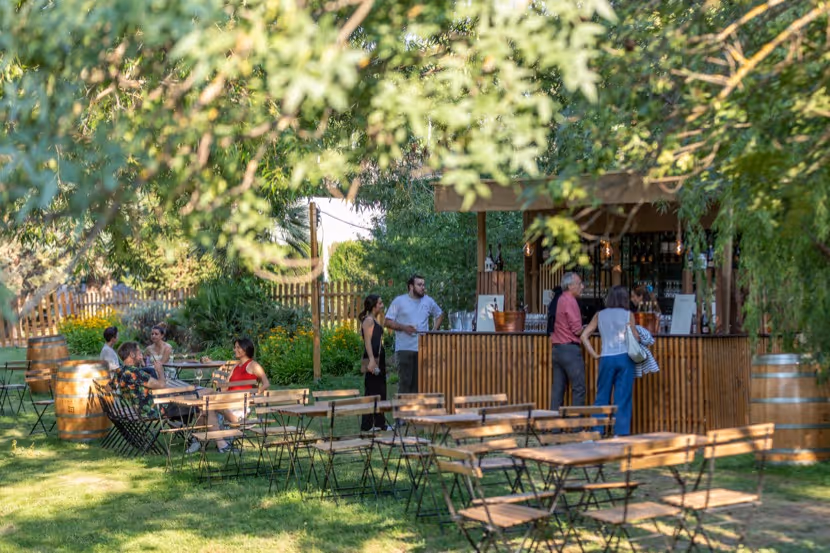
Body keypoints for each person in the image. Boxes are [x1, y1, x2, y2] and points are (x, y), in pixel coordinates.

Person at [580, 285, 641, 436]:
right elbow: (635, 338)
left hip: (606, 357)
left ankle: (597, 431)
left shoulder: (599, 315)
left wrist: (594, 354)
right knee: (623, 397)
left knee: (602, 396)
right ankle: (619, 434)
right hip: (625, 357)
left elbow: (583, 336)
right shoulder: (628, 314)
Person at [385, 274, 444, 394]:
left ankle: (417, 412)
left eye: (423, 285)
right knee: (405, 384)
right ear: (411, 286)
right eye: (419, 284)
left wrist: (433, 331)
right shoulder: (399, 301)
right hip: (404, 349)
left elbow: (440, 314)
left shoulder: (428, 301)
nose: (423, 287)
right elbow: (387, 321)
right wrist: (404, 327)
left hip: (423, 349)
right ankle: (403, 412)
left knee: (420, 385)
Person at [549, 272, 586, 411]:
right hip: (570, 350)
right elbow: (577, 330)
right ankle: (576, 427)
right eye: (579, 284)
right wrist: (588, 329)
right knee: (579, 388)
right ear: (570, 286)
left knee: (558, 390)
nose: (582, 287)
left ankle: (554, 428)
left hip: (557, 349)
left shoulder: (561, 299)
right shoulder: (571, 300)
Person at [358, 295, 389, 431]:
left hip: (379, 359)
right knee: (371, 391)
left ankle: (379, 423)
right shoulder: (368, 321)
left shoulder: (374, 319)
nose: (382, 305)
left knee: (380, 390)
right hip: (373, 359)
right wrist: (371, 360)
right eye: (380, 303)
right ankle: (367, 424)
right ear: (374, 306)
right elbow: (367, 342)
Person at [223, 337, 270, 423]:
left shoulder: (254, 365)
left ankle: (235, 421)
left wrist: (255, 394)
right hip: (228, 399)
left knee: (210, 409)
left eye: (238, 347)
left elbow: (266, 383)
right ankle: (216, 434)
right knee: (204, 409)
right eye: (235, 347)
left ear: (245, 349)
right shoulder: (236, 366)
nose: (234, 350)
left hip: (240, 402)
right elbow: (226, 386)